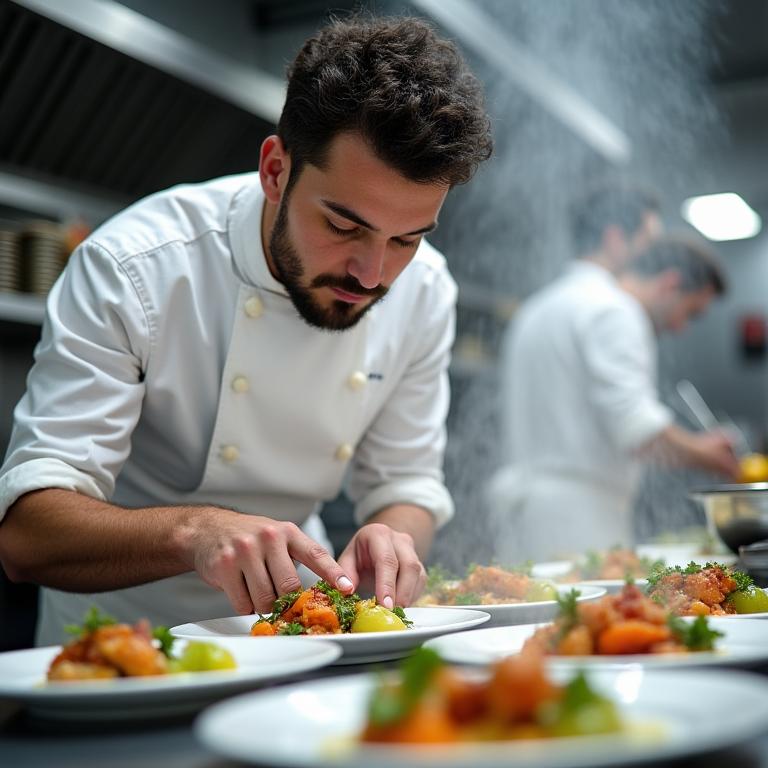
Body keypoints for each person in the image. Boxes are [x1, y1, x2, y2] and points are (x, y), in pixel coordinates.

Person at [0, 15, 493, 644]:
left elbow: (406, 482)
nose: (372, 275)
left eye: (406, 238)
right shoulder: (134, 268)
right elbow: (26, 534)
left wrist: (393, 537)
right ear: (275, 170)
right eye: (344, 227)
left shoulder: (425, 290)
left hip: (298, 636)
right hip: (121, 647)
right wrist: (196, 531)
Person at [490, 185, 738, 562]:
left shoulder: (537, 307)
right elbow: (637, 429)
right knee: (585, 619)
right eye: (649, 241)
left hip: (525, 512)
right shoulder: (614, 309)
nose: (653, 254)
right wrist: (706, 454)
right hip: (579, 518)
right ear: (615, 239)